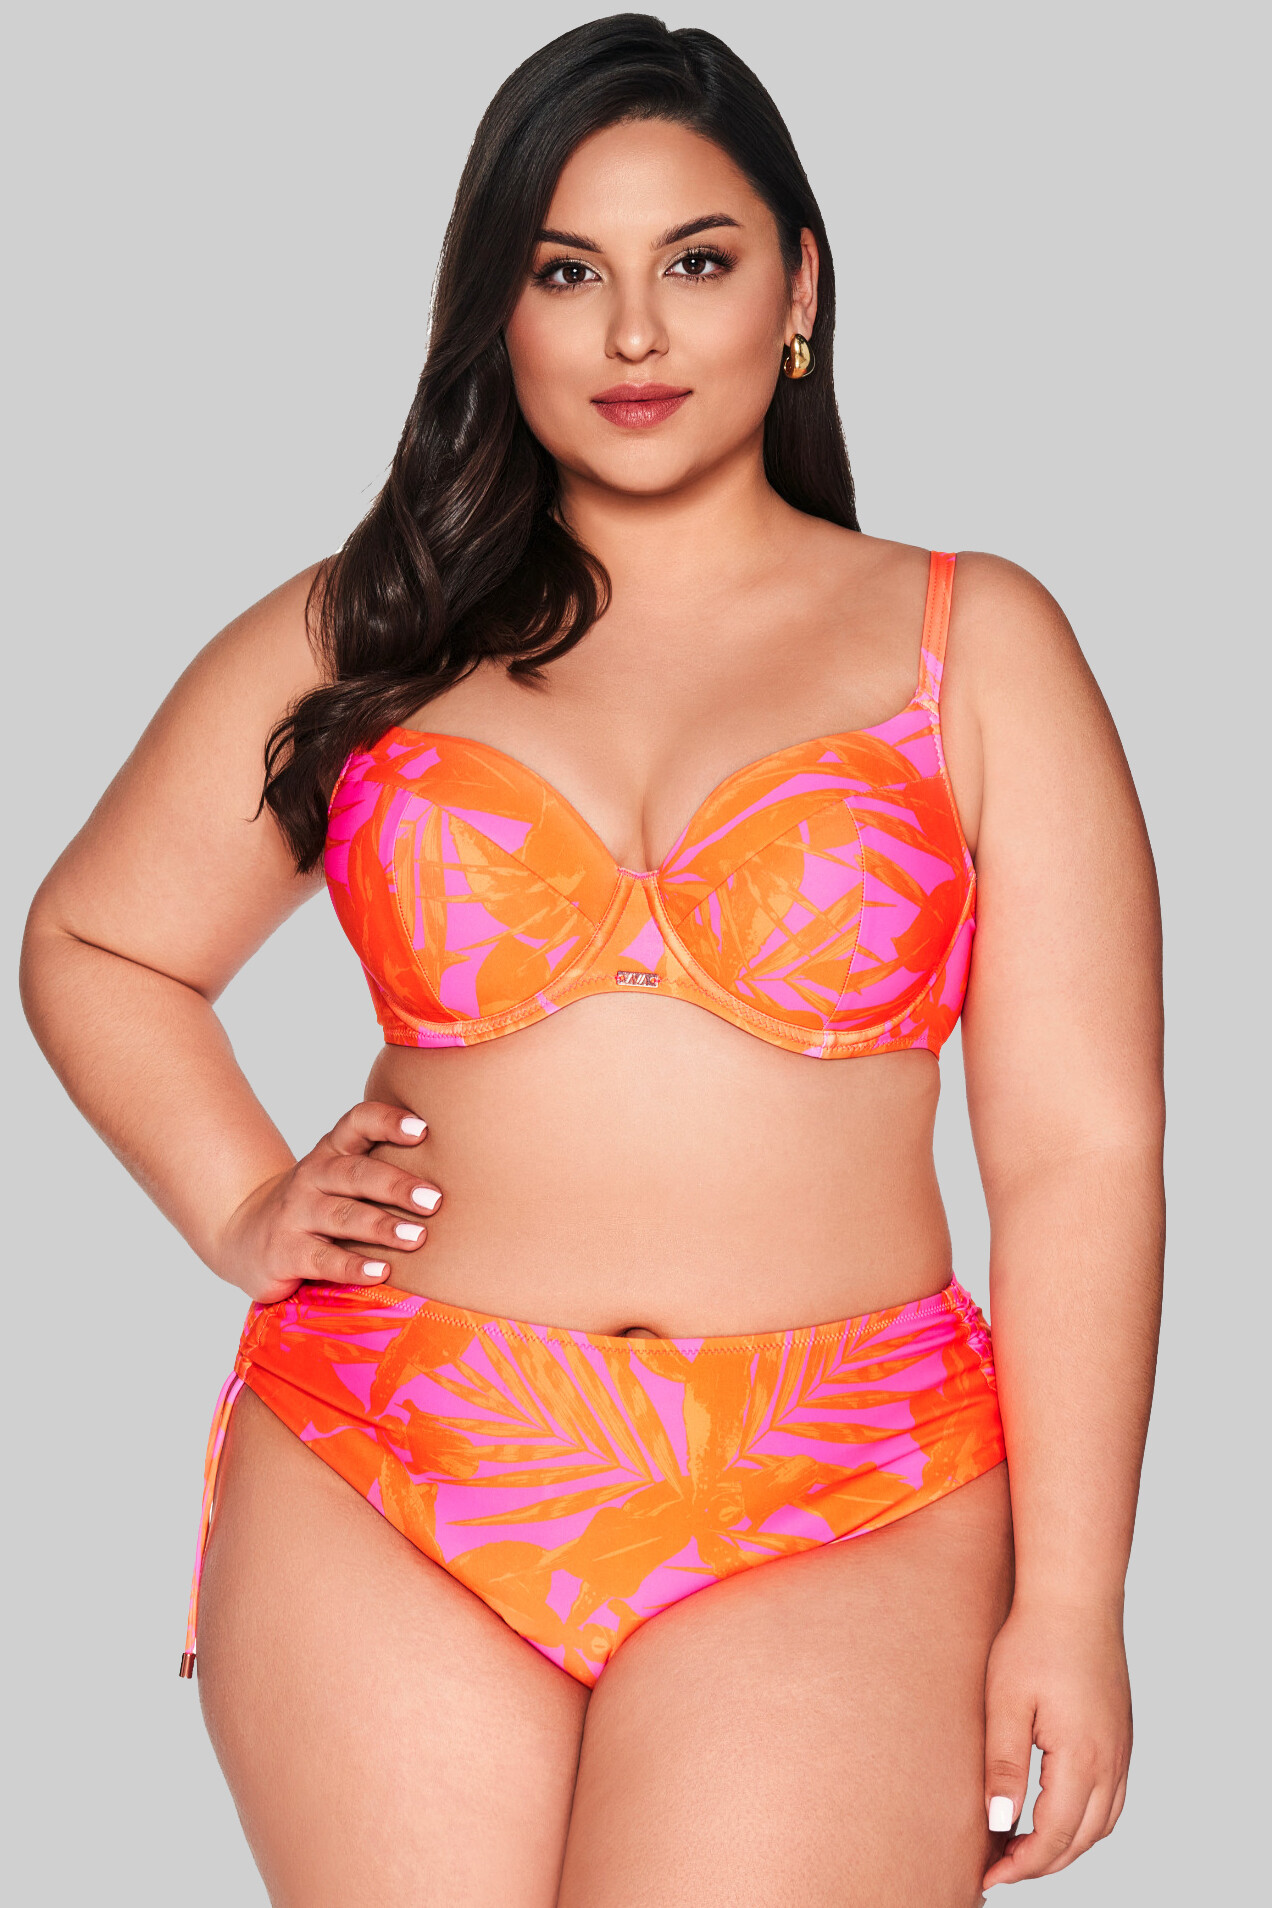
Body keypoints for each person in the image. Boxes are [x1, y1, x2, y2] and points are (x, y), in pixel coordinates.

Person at [19, 15, 1164, 1906]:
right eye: (567, 272)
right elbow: (97, 940)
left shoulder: (978, 645)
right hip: (391, 1456)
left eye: (696, 262)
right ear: (499, 310)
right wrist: (238, 1200)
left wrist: (1077, 1601)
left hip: (849, 1489)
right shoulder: (374, 628)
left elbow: (1078, 1158)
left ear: (800, 289)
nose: (635, 333)